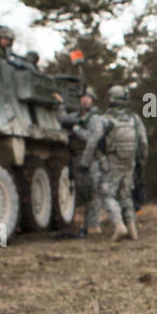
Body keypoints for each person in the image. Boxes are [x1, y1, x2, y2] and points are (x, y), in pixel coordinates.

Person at [96, 84, 148, 242]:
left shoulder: (105, 119)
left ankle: (119, 225)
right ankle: (132, 228)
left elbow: (95, 141)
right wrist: (141, 162)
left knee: (107, 193)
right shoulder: (134, 118)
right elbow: (144, 142)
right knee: (126, 193)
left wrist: (89, 159)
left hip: (113, 160)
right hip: (130, 161)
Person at [56, 87, 106, 238]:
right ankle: (87, 224)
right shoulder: (78, 115)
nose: (85, 100)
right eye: (82, 97)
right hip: (78, 157)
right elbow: (63, 119)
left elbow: (92, 138)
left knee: (93, 191)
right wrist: (60, 105)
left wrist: (76, 130)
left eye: (88, 97)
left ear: (93, 100)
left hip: (91, 158)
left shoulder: (95, 118)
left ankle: (94, 225)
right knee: (83, 192)